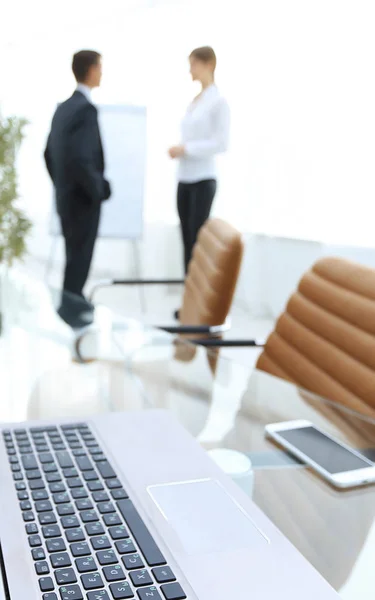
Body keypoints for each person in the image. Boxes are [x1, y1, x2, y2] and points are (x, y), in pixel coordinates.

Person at [44, 50, 111, 327]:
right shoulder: (85, 109)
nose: (102, 73)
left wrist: (62, 187)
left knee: (73, 262)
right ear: (92, 70)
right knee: (78, 263)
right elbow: (82, 160)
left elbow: (48, 153)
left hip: (66, 199)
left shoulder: (63, 107)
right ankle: (74, 321)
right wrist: (99, 190)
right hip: (83, 202)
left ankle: (68, 315)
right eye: (101, 67)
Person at [168, 46, 230, 275]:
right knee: (186, 241)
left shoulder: (218, 102)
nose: (190, 70)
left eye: (193, 64)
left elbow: (221, 143)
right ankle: (189, 300)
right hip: (184, 178)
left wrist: (186, 149)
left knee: (198, 243)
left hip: (203, 179)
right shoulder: (195, 101)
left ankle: (199, 302)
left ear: (209, 65)